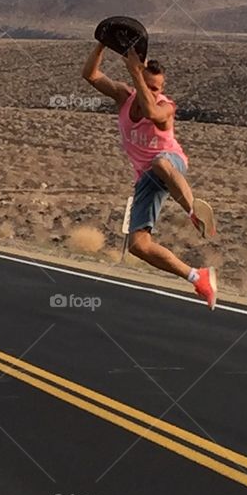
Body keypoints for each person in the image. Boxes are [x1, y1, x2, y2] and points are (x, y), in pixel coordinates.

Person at [82, 42, 218, 310]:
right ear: (138, 81)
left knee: (159, 161)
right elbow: (91, 75)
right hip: (147, 177)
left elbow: (153, 113)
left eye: (157, 88)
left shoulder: (166, 107)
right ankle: (197, 277)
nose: (154, 93)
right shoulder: (124, 95)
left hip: (172, 164)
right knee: (138, 245)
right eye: (149, 86)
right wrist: (102, 43)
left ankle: (193, 211)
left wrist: (136, 75)